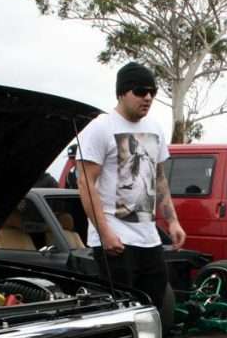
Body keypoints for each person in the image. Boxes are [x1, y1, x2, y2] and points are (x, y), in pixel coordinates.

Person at [75, 61, 186, 310]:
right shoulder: (101, 127)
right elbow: (85, 182)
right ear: (122, 92)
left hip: (148, 237)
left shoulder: (155, 128)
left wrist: (173, 221)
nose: (147, 97)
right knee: (121, 311)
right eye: (139, 91)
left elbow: (159, 178)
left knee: (154, 308)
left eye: (152, 92)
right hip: (115, 240)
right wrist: (104, 233)